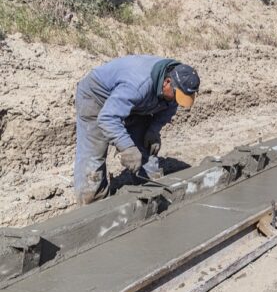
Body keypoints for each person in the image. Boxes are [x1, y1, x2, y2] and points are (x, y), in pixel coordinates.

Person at [74, 56, 200, 204]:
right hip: (96, 97)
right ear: (167, 83)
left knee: (143, 149)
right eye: (177, 96)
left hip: (136, 104)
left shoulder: (173, 87)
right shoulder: (139, 86)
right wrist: (127, 147)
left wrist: (153, 130)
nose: (176, 101)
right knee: (93, 157)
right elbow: (107, 118)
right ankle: (92, 206)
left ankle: (152, 193)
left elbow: (168, 109)